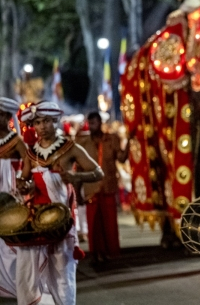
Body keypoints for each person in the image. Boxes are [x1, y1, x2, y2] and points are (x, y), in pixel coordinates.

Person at [17, 101, 103, 305]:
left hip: (62, 220)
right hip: (36, 221)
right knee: (34, 273)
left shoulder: (70, 148)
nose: (42, 126)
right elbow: (25, 181)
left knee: (62, 271)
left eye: (46, 121)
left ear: (54, 121)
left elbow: (98, 172)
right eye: (37, 122)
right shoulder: (30, 154)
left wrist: (75, 178)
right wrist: (24, 186)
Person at [76, 111, 129, 263]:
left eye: (95, 123)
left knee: (110, 223)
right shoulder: (83, 143)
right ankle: (95, 253)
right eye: (90, 123)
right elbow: (78, 170)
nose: (93, 126)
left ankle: (111, 253)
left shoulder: (111, 139)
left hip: (108, 187)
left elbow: (121, 158)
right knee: (93, 224)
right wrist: (77, 192)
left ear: (100, 123)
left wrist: (130, 143)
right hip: (91, 188)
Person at [0, 97, 30, 299]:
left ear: (8, 117)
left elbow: (27, 162)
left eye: (2, 115)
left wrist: (21, 179)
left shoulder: (16, 141)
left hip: (10, 191)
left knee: (10, 234)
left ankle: (14, 284)